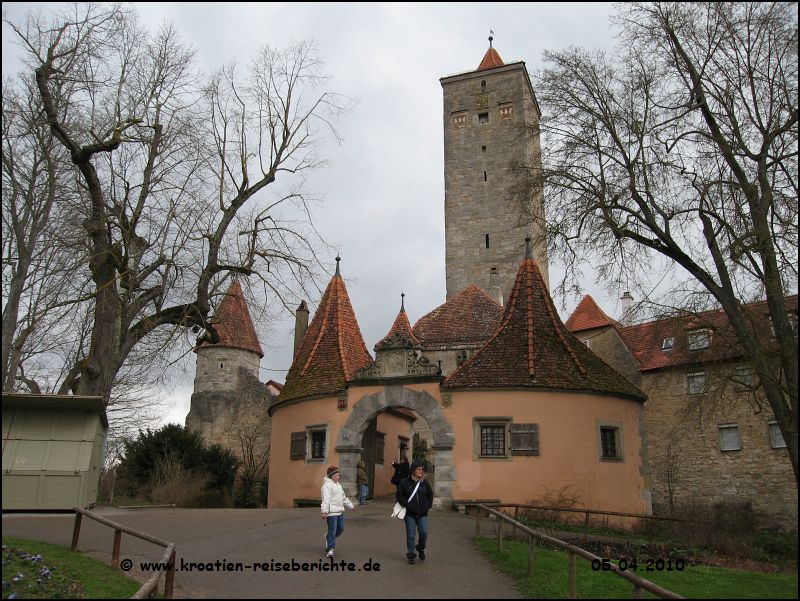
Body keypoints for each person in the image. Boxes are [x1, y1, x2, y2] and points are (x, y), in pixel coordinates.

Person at [396, 461, 433, 564]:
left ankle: (420, 548)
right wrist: (408, 506)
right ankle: (411, 554)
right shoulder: (404, 482)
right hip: (410, 514)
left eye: (422, 469)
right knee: (411, 534)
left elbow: (430, 494)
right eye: (419, 469)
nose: (421, 471)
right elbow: (399, 496)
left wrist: (428, 505)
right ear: (413, 470)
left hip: (422, 513)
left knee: (424, 532)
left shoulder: (424, 482)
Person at [320, 466, 355, 558]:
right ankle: (330, 549)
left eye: (338, 475)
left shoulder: (338, 485)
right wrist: (324, 511)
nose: (338, 477)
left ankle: (328, 537)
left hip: (339, 511)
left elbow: (343, 498)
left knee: (341, 528)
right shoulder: (326, 486)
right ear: (331, 476)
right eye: (336, 475)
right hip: (331, 513)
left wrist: (350, 506)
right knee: (332, 530)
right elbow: (325, 500)